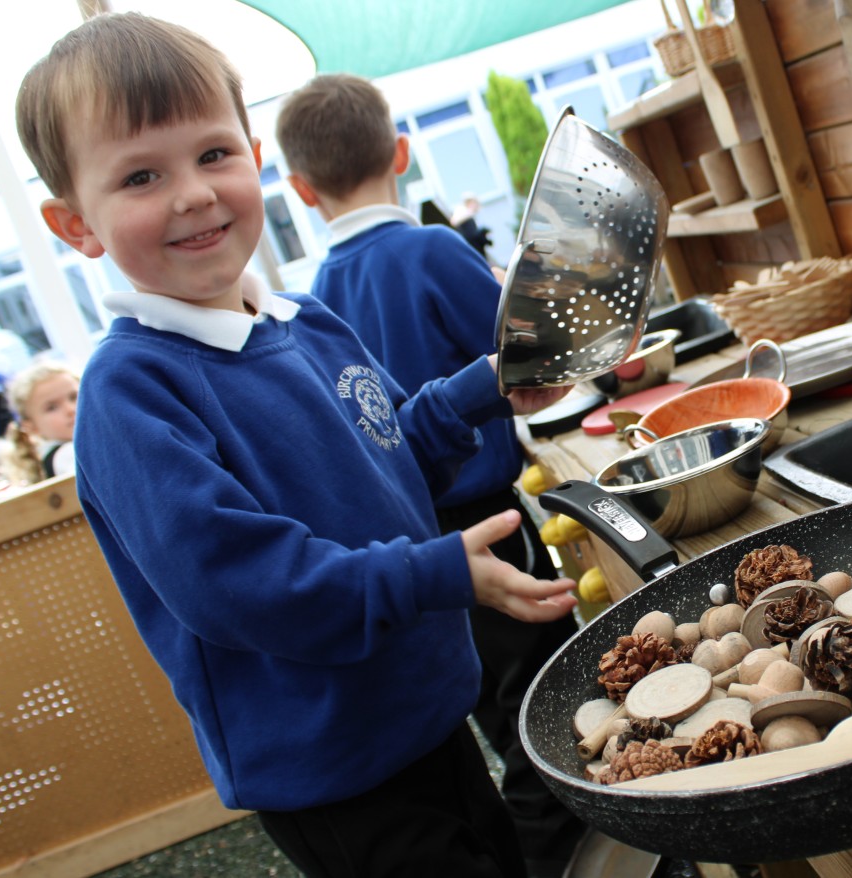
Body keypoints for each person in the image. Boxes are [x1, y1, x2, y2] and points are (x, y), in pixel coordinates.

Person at [15, 13, 576, 878]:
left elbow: (394, 458)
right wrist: (432, 575)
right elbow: (243, 585)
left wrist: (483, 387)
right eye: (140, 176)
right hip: (332, 767)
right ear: (75, 225)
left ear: (256, 158)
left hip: (428, 707)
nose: (192, 194)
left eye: (213, 155)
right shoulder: (130, 395)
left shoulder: (306, 321)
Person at [275, 73, 586, 877]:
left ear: (301, 190)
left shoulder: (317, 296)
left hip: (409, 551)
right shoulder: (431, 248)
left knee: (502, 720)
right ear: (402, 154)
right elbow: (524, 350)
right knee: (551, 714)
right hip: (486, 529)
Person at [0, 360, 80, 494]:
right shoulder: (67, 455)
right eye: (52, 408)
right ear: (31, 426)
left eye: (74, 397)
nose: (71, 409)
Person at [450, 191, 494, 260]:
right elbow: (454, 221)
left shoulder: (469, 217)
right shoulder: (464, 214)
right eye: (475, 203)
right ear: (470, 202)